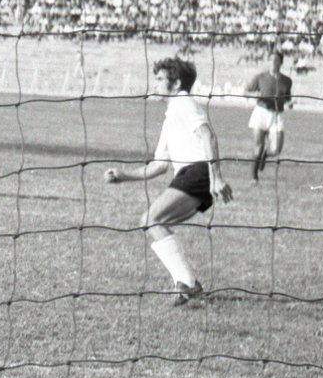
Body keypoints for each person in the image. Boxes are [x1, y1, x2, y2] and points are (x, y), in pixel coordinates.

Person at [104, 55, 232, 307]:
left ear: (177, 83)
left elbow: (208, 136)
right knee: (152, 222)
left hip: (198, 173)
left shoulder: (183, 102)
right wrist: (124, 176)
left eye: (161, 78)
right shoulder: (171, 113)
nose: (155, 83)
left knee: (151, 219)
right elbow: (159, 165)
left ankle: (189, 284)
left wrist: (216, 177)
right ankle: (185, 285)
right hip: (191, 175)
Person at [243, 49, 293, 180]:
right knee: (258, 146)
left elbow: (287, 98)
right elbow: (245, 92)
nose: (273, 62)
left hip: (277, 115)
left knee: (276, 149)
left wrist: (289, 104)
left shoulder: (287, 81)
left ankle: (265, 155)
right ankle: (254, 177)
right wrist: (254, 94)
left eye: (276, 60)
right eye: (270, 59)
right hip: (261, 113)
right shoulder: (260, 77)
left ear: (281, 63)